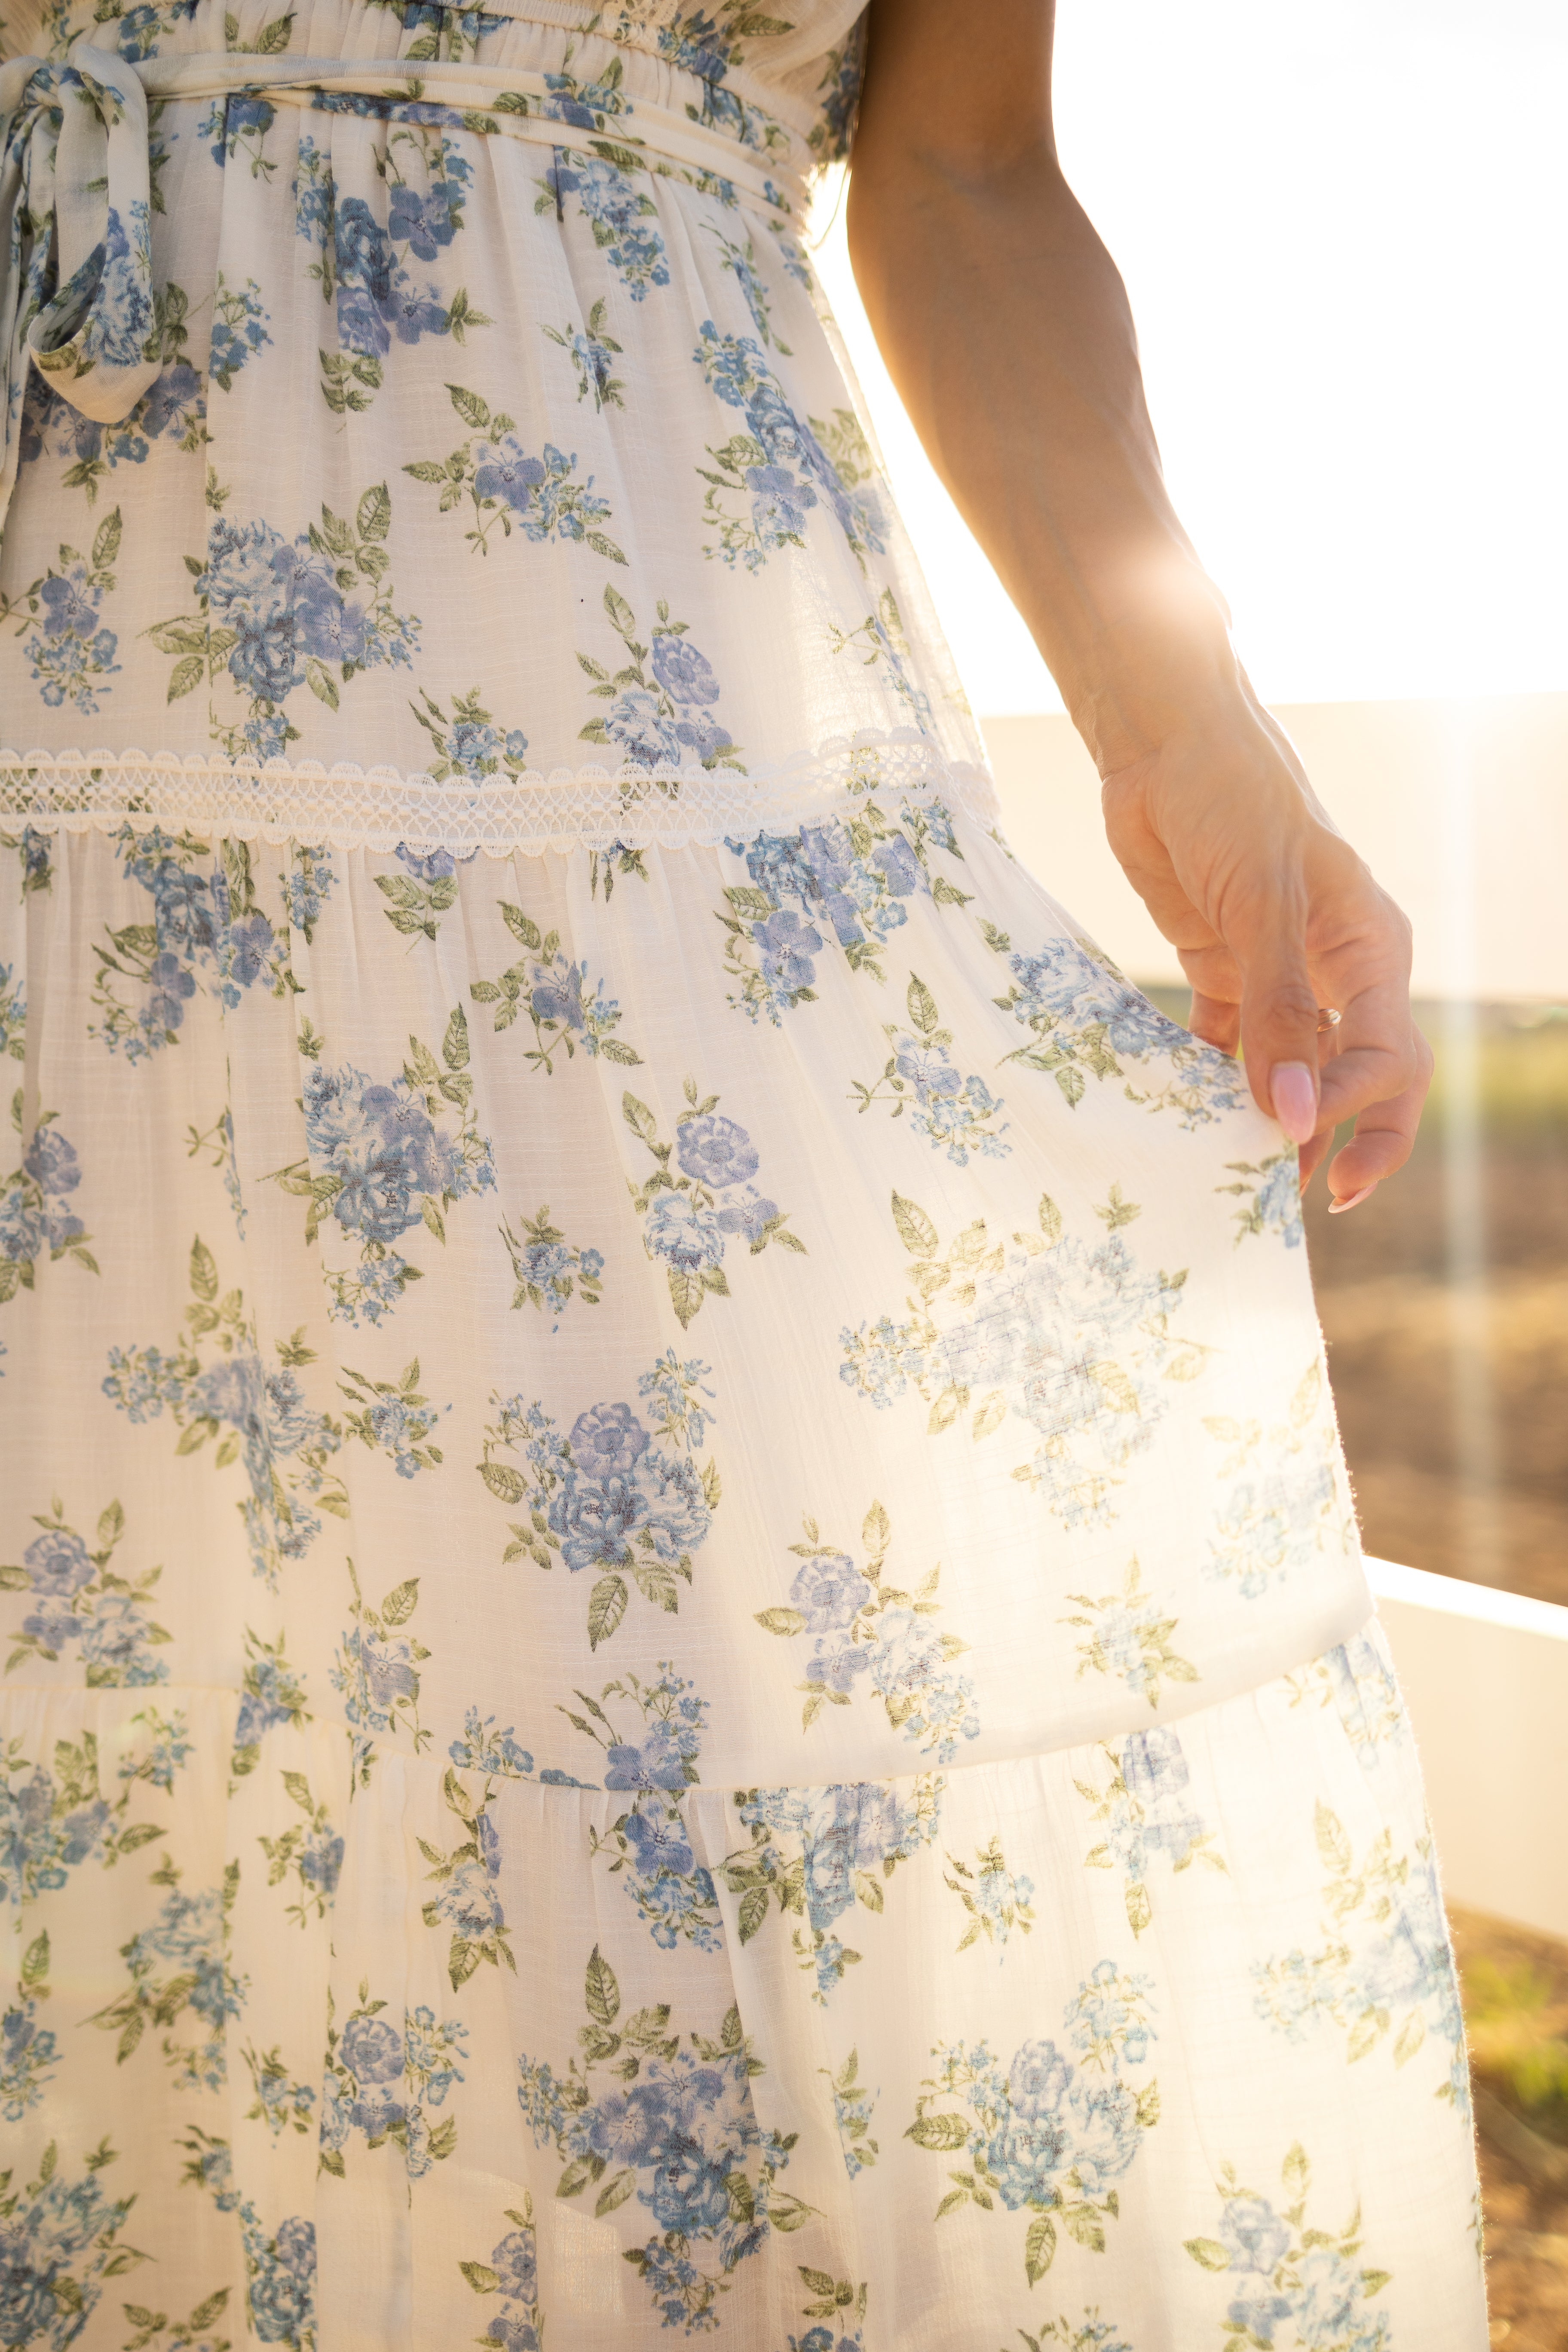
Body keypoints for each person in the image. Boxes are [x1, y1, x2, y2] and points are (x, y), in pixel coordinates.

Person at [0, 0, 1484, 2343]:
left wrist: (1195, 722)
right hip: (62, 703)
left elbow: (970, 173)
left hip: (677, 746)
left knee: (670, 1762)